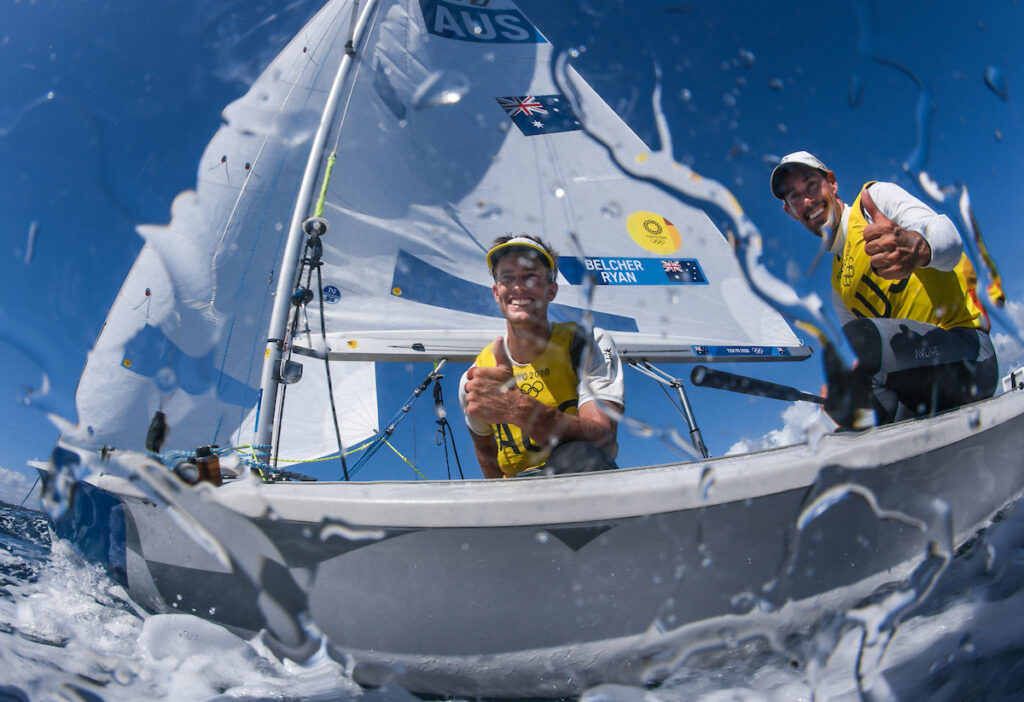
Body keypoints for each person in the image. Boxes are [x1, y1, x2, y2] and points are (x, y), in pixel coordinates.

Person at [770, 151, 998, 428]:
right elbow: (861, 364)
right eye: (794, 196)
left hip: (971, 357)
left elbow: (948, 237)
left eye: (811, 184)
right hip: (915, 389)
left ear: (832, 182)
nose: (807, 200)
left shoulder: (874, 201)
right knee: (842, 397)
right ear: (789, 211)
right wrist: (843, 388)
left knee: (860, 340)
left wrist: (918, 248)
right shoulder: (838, 289)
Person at [459, 235, 625, 478]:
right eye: (507, 277)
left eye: (531, 276)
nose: (518, 287)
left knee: (579, 455)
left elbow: (604, 436)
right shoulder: (477, 377)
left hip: (577, 485)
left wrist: (524, 412)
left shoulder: (587, 343)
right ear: (496, 293)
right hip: (517, 500)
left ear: (551, 290)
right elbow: (486, 454)